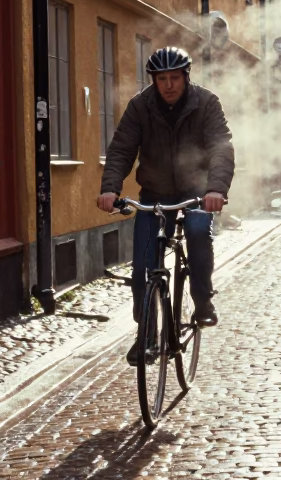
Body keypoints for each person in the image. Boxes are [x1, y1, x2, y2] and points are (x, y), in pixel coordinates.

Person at [97, 46, 235, 366]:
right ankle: (145, 332)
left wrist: (216, 188)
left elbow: (221, 148)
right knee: (143, 266)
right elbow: (121, 150)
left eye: (175, 78)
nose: (169, 85)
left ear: (186, 77)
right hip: (155, 195)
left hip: (197, 192)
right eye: (162, 79)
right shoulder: (140, 107)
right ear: (154, 80)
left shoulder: (206, 103)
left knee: (199, 231)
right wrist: (109, 190)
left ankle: (202, 301)